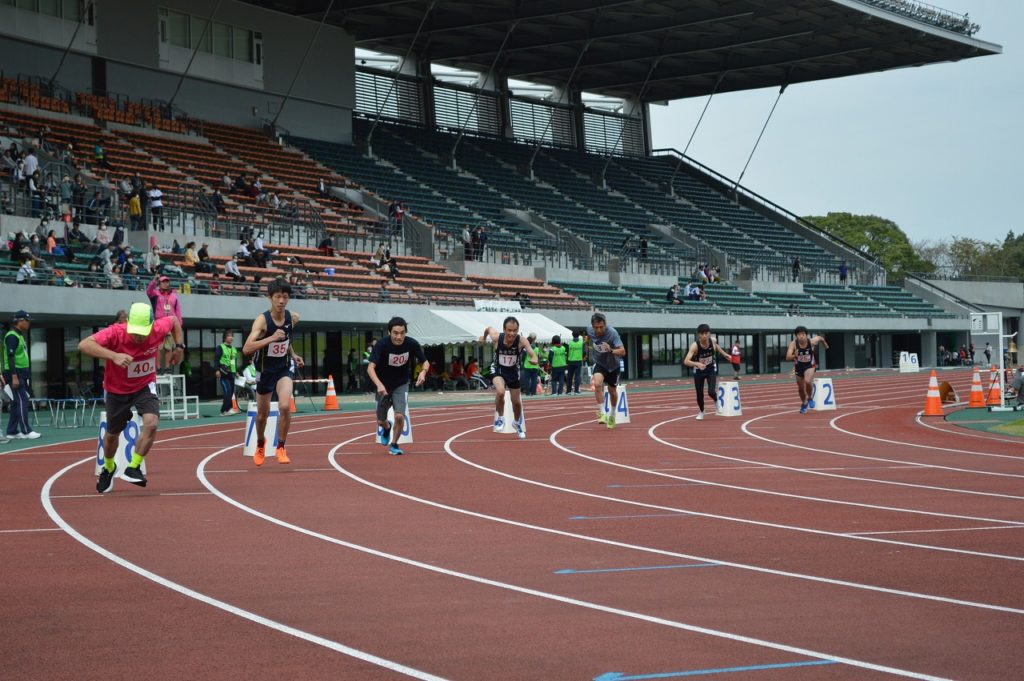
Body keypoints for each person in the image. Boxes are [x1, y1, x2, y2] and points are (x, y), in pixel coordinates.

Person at [79, 302, 184, 492]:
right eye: (134, 331)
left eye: (142, 332)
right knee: (112, 435)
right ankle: (109, 468)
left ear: (152, 326)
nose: (138, 337)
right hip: (116, 389)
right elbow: (84, 345)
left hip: (144, 385)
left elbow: (175, 320)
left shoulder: (160, 327)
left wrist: (179, 346)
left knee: (152, 423)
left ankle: (134, 467)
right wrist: (113, 356)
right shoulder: (116, 333)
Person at [242, 278, 304, 466]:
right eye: (277, 297)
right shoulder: (262, 321)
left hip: (283, 369)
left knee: (285, 406)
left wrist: (293, 355)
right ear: (270, 298)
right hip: (264, 371)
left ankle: (281, 447)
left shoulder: (293, 318)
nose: (281, 301)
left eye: (285, 297)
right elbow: (247, 348)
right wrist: (270, 338)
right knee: (263, 414)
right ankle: (261, 443)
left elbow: (286, 340)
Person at [367, 316, 429, 456]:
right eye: (395, 333)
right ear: (389, 333)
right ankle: (387, 428)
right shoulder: (382, 345)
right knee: (380, 421)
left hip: (401, 384)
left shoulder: (411, 344)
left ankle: (394, 444)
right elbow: (370, 368)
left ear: (405, 332)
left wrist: (423, 373)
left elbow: (425, 362)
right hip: (383, 385)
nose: (399, 336)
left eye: (402, 333)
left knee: (399, 416)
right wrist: (379, 385)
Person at [481, 317, 537, 439]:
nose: (512, 333)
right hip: (498, 368)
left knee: (516, 402)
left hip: (512, 371)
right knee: (500, 392)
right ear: (504, 329)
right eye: (509, 330)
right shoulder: (497, 337)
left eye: (515, 330)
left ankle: (516, 423)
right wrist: (484, 338)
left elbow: (532, 353)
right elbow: (488, 328)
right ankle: (500, 418)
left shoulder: (521, 341)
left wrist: (534, 359)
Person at [3, 311, 41, 440]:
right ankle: (26, 430)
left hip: (21, 372)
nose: (29, 323)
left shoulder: (18, 335)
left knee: (15, 402)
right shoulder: (12, 336)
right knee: (22, 400)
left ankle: (12, 431)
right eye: (27, 320)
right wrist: (14, 376)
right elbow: (11, 357)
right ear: (20, 321)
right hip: (16, 373)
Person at [683, 324, 734, 421]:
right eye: (702, 334)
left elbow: (716, 346)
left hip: (710, 368)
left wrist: (725, 354)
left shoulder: (713, 340)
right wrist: (697, 364)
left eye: (706, 333)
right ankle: (702, 411)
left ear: (709, 333)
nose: (704, 336)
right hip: (699, 371)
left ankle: (716, 401)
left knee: (711, 391)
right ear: (699, 335)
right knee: (699, 394)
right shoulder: (695, 346)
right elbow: (686, 361)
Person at [587, 313, 626, 429]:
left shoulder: (612, 333)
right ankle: (602, 413)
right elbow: (589, 337)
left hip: (613, 365)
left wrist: (611, 350)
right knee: (597, 384)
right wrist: (587, 341)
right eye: (596, 327)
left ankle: (612, 414)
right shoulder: (589, 329)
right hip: (600, 363)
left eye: (601, 327)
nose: (598, 330)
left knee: (612, 391)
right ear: (592, 326)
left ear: (605, 324)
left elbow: (623, 351)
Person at [785, 325, 829, 414]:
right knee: (801, 388)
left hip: (810, 365)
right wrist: (795, 355)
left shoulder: (812, 341)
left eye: (803, 334)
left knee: (808, 381)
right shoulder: (793, 344)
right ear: (796, 336)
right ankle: (804, 403)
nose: (801, 336)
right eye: (799, 335)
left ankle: (810, 398)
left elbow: (820, 338)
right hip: (799, 367)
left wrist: (825, 344)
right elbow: (787, 357)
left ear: (806, 335)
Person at [146, 274, 183, 373]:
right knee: (158, 347)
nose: (166, 283)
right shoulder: (155, 294)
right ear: (159, 283)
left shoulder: (174, 296)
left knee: (169, 347)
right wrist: (154, 281)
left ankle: (167, 367)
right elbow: (148, 292)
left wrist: (179, 324)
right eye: (163, 282)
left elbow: (177, 311)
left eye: (167, 282)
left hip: (171, 325)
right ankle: (158, 367)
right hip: (159, 324)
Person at [215, 331, 240, 416]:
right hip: (224, 373)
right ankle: (223, 411)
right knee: (227, 391)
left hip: (231, 374)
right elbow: (216, 359)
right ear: (225, 337)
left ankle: (229, 409)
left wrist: (236, 371)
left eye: (232, 336)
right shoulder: (220, 347)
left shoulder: (234, 349)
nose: (231, 338)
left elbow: (234, 362)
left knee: (231, 391)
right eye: (229, 336)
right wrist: (217, 370)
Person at [566, 330, 586, 395]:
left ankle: (568, 391)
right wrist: (581, 356)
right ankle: (576, 391)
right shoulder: (581, 343)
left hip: (570, 361)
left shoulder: (569, 343)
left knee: (569, 376)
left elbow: (567, 352)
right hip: (578, 361)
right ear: (579, 335)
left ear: (572, 335)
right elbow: (584, 352)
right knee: (577, 376)